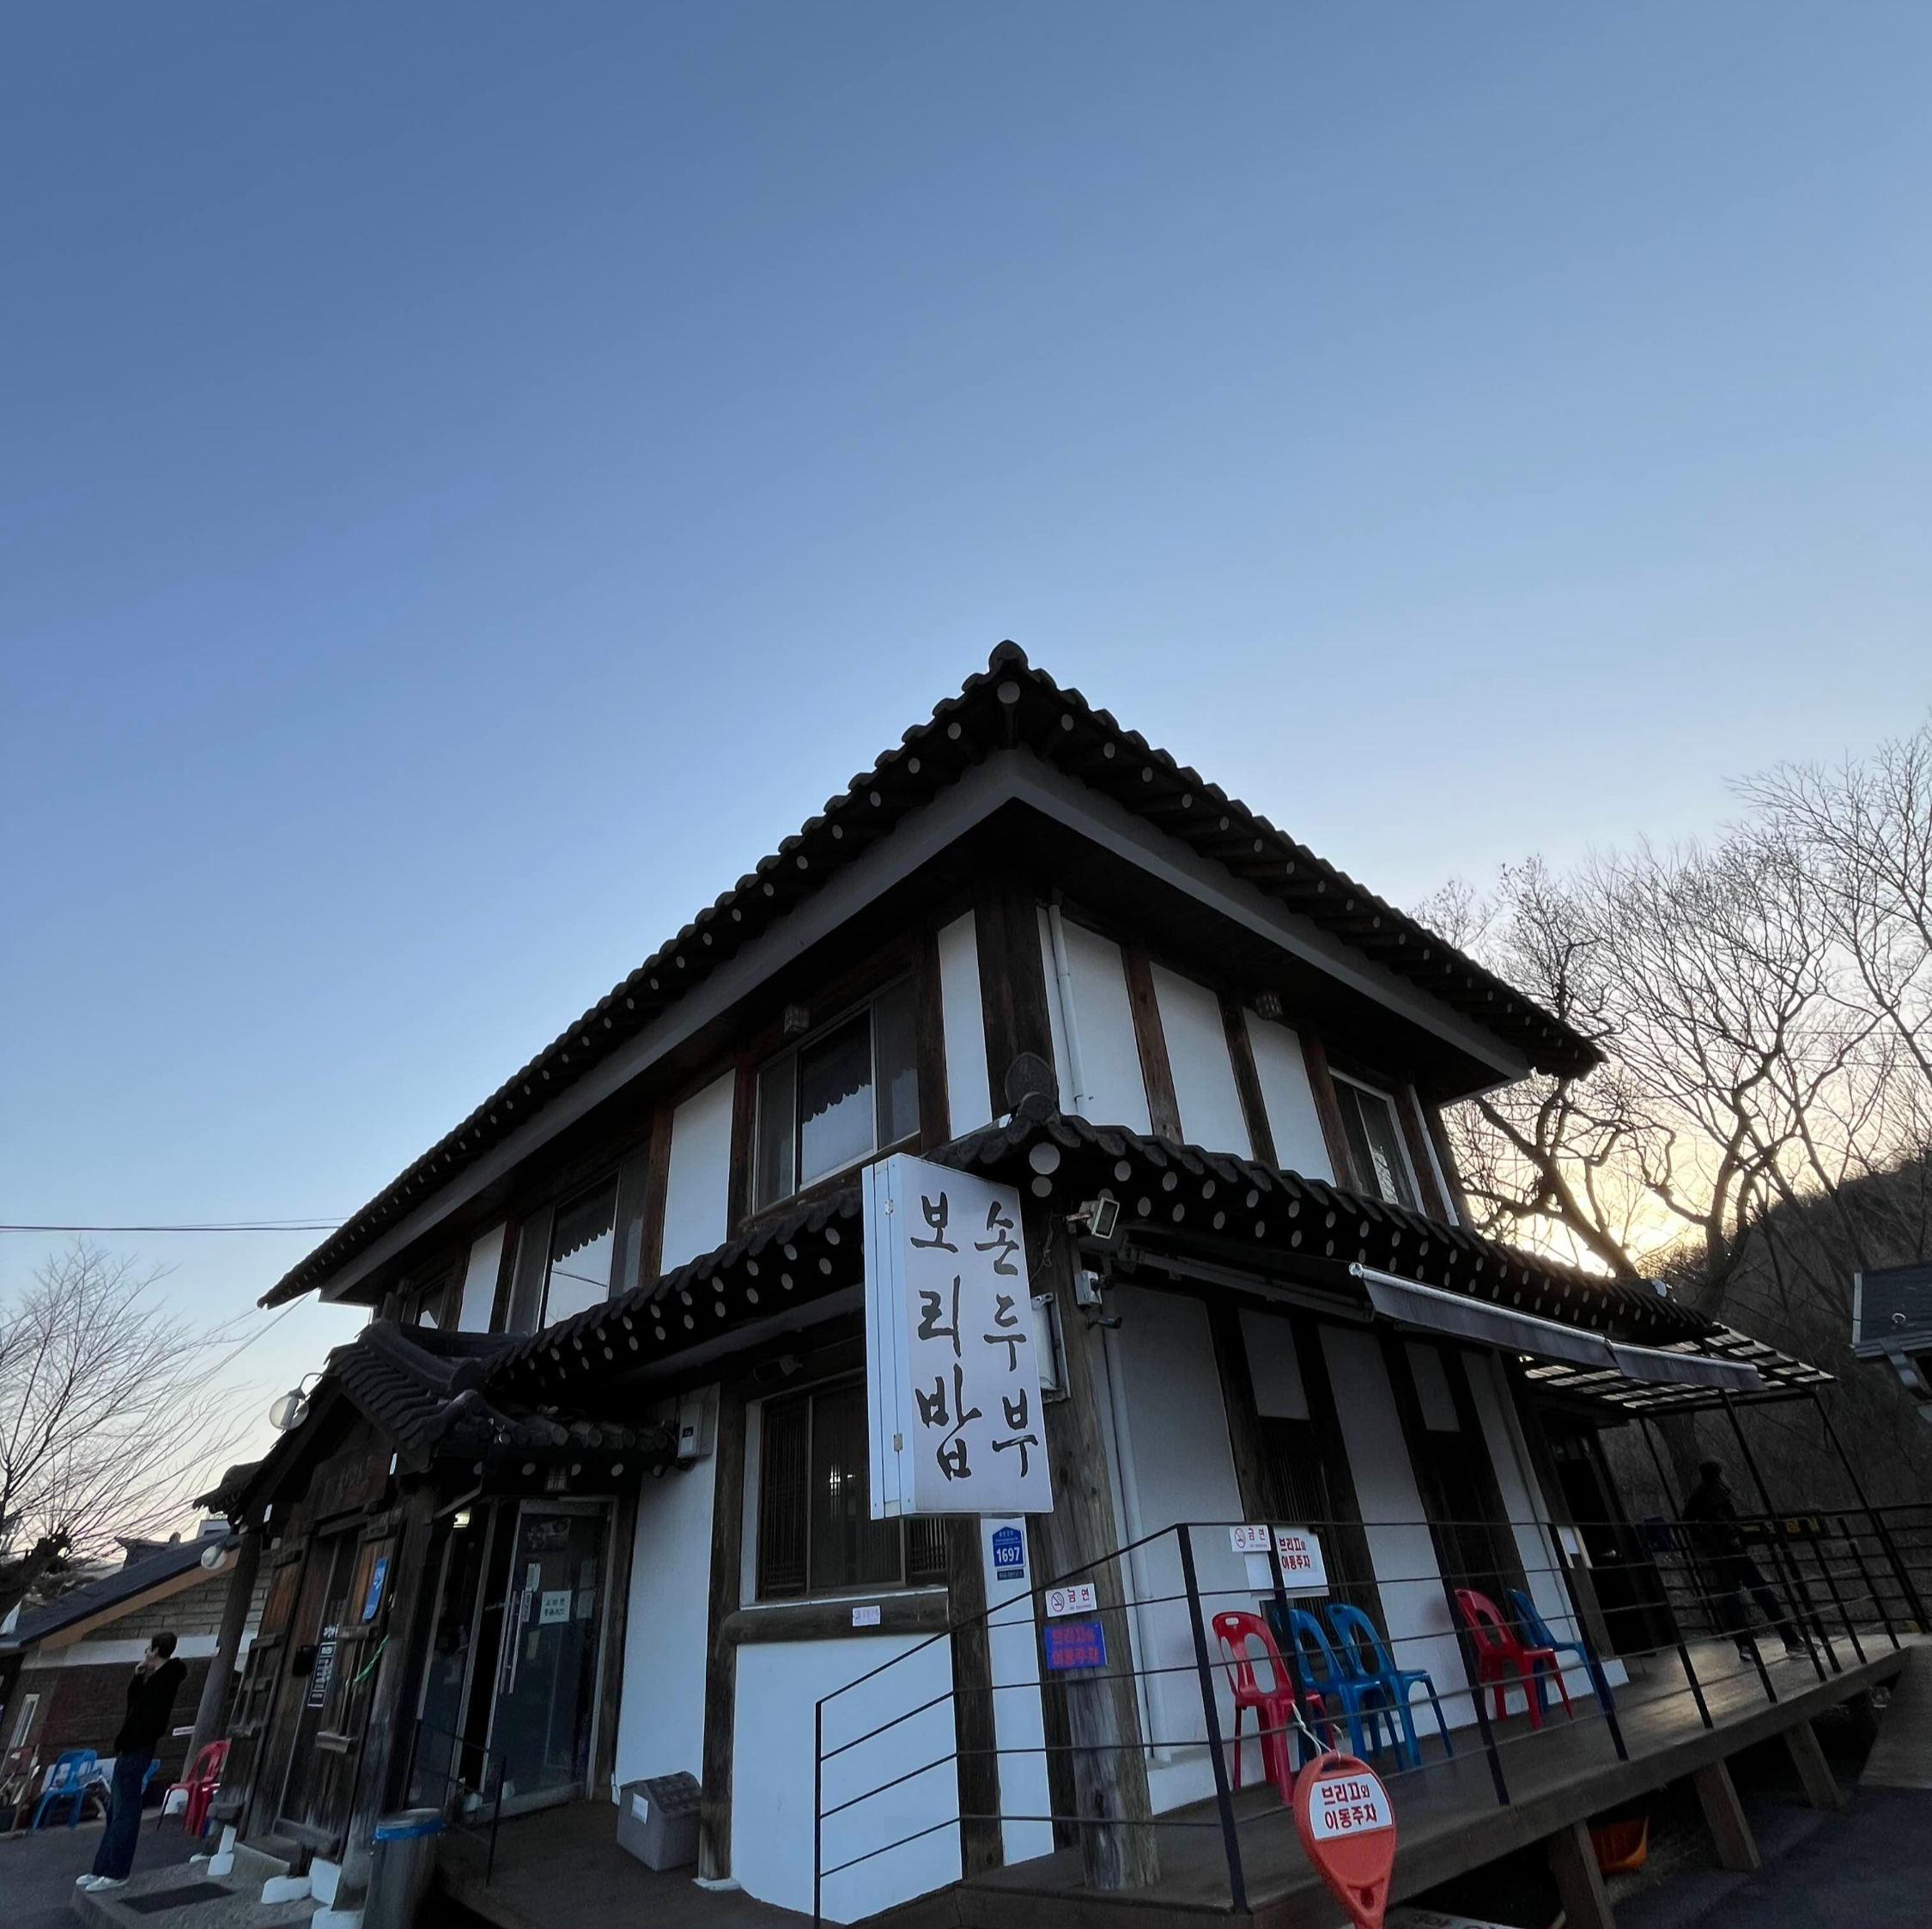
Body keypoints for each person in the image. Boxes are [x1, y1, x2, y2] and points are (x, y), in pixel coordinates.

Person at [78, 1632, 186, 1893]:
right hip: (130, 1750)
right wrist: (138, 1677)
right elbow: (134, 1707)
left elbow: (149, 1719)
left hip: (137, 1749)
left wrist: (133, 1739)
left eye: (149, 1648)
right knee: (115, 1813)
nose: (146, 1652)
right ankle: (101, 1869)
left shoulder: (166, 1680)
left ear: (156, 1651)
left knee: (125, 1814)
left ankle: (117, 1872)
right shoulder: (156, 1679)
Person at [1681, 1462, 1806, 1662]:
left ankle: (1745, 1646)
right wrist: (1735, 1536)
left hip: (1718, 1554)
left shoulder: (1698, 1497)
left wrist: (1705, 1540)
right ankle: (1791, 1640)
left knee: (1732, 1602)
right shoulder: (1719, 1494)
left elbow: (1688, 1520)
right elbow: (1727, 1521)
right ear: (1718, 1474)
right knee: (1763, 1594)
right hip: (1733, 1551)